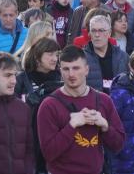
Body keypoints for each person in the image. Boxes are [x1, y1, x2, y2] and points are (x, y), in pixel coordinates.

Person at [37, 45, 124, 174]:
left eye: (76, 68)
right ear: (60, 71)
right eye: (66, 69)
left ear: (87, 70)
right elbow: (48, 153)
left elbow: (118, 145)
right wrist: (71, 126)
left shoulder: (103, 100)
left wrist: (105, 126)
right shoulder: (49, 105)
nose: (71, 74)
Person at [83, 14, 128, 91]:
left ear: (109, 33)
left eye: (101, 30)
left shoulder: (123, 57)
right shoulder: (82, 58)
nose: (97, 35)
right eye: (93, 31)